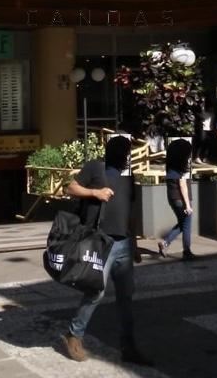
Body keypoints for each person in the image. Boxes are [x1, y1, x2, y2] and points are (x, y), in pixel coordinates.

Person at [60, 136, 152, 367]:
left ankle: (128, 347)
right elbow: (70, 187)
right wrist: (96, 193)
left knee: (126, 296)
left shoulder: (128, 176)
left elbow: (130, 212)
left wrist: (134, 244)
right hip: (101, 242)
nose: (128, 156)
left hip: (124, 244)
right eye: (125, 152)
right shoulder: (95, 167)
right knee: (96, 292)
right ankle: (74, 335)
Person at [158, 139, 196, 261]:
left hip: (172, 198)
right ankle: (186, 251)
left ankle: (165, 243)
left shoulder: (170, 168)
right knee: (186, 226)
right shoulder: (181, 169)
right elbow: (182, 185)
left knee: (182, 223)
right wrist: (188, 205)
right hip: (181, 199)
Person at [194, 98, 215, 164]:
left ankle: (205, 157)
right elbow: (197, 113)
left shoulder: (213, 111)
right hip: (203, 127)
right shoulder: (202, 108)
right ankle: (197, 157)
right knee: (201, 141)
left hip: (210, 128)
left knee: (208, 143)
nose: (211, 109)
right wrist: (200, 117)